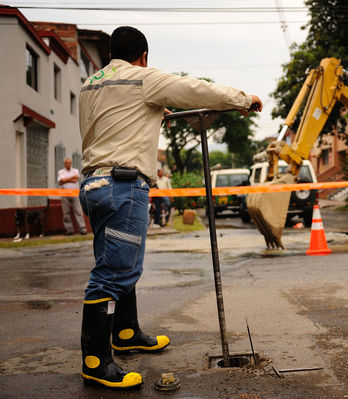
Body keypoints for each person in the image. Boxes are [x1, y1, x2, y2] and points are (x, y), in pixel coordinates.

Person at [77, 26, 262, 389]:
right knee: (112, 273)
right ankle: (95, 362)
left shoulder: (90, 84)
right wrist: (244, 99)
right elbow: (194, 89)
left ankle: (126, 332)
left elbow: (111, 126)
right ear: (144, 56)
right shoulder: (143, 78)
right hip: (123, 186)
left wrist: (148, 116)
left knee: (118, 262)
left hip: (94, 185)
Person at [57, 158, 87, 235]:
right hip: (64, 193)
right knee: (66, 212)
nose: (68, 164)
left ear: (71, 163)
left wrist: (65, 180)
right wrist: (70, 178)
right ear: (64, 164)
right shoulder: (61, 172)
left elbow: (75, 179)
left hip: (75, 193)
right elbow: (61, 181)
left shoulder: (75, 171)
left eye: (69, 163)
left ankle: (82, 228)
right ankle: (69, 229)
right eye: (67, 163)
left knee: (78, 211)